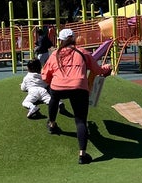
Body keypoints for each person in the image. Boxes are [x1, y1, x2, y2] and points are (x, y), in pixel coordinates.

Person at [41, 28, 111, 164]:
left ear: (60, 40)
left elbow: (45, 75)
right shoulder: (83, 52)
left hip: (58, 86)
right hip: (79, 87)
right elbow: (97, 70)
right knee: (80, 120)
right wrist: (106, 69)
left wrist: (53, 82)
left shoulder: (55, 54)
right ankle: (82, 155)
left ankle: (52, 123)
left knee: (54, 98)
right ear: (74, 39)